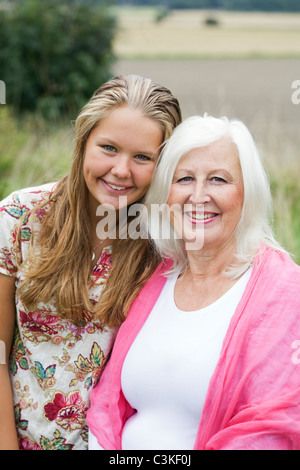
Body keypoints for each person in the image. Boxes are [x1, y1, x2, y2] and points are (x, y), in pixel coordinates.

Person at [87, 114, 300, 450]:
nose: (199, 196)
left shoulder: (284, 292)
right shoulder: (156, 277)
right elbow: (108, 404)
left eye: (218, 179)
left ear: (248, 193)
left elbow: (272, 427)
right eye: (184, 179)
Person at [0, 74, 182, 450]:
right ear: (83, 142)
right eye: (109, 148)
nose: (121, 170)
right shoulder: (21, 216)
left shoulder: (165, 244)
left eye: (143, 157)